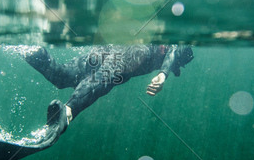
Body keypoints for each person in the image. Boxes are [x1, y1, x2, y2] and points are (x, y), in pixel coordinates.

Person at [23, 44, 194, 136]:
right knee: (101, 81)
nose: (176, 67)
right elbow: (173, 53)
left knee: (61, 77)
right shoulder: (174, 49)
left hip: (108, 49)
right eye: (179, 63)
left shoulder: (170, 58)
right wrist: (163, 74)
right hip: (130, 53)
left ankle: (29, 50)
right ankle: (67, 112)